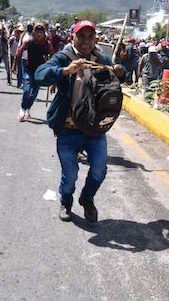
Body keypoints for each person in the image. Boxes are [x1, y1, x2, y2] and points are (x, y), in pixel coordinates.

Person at [35, 20, 125, 222]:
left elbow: (120, 76)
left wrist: (120, 71)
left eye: (90, 36)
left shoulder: (100, 58)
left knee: (100, 169)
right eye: (81, 36)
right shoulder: (64, 57)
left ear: (95, 39)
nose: (86, 41)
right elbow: (39, 75)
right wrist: (65, 71)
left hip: (95, 129)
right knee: (71, 175)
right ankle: (66, 202)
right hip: (68, 129)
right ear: (72, 37)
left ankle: (87, 198)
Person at [13, 24, 54, 121]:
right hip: (29, 69)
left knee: (34, 93)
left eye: (41, 32)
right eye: (37, 32)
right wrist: (14, 65)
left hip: (40, 72)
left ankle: (27, 109)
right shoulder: (29, 42)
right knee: (27, 90)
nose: (39, 34)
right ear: (34, 33)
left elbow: (53, 56)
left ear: (44, 33)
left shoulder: (47, 44)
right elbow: (19, 51)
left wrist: (52, 69)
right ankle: (22, 109)